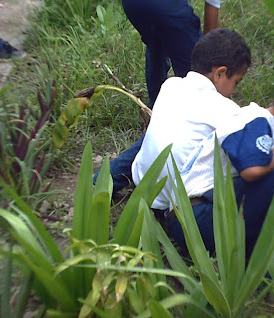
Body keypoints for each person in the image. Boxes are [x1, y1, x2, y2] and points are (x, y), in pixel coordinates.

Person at [145, 71, 274, 263]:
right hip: (193, 219)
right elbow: (250, 171)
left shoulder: (264, 131)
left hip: (205, 218)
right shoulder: (255, 120)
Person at [94, 28, 252, 195]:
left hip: (142, 189)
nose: (234, 91)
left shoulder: (170, 85)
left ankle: (103, 180)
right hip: (178, 204)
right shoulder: (227, 110)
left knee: (158, 137)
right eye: (236, 82)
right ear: (220, 73)